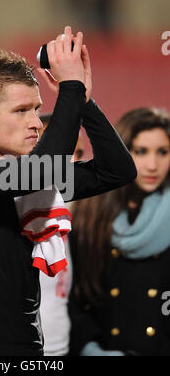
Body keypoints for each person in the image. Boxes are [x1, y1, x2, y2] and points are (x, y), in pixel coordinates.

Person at [0, 26, 136, 356]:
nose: (36, 122)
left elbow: (117, 170)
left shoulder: (22, 179)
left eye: (37, 109)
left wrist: (84, 102)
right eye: (21, 111)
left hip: (30, 351)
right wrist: (70, 86)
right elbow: (45, 169)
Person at [68, 107, 170, 356]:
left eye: (163, 152)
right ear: (123, 151)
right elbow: (71, 298)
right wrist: (90, 349)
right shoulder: (88, 214)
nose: (152, 165)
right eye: (141, 151)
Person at [38, 114, 86, 356]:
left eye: (80, 154)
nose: (76, 162)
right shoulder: (13, 214)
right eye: (67, 152)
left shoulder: (67, 221)